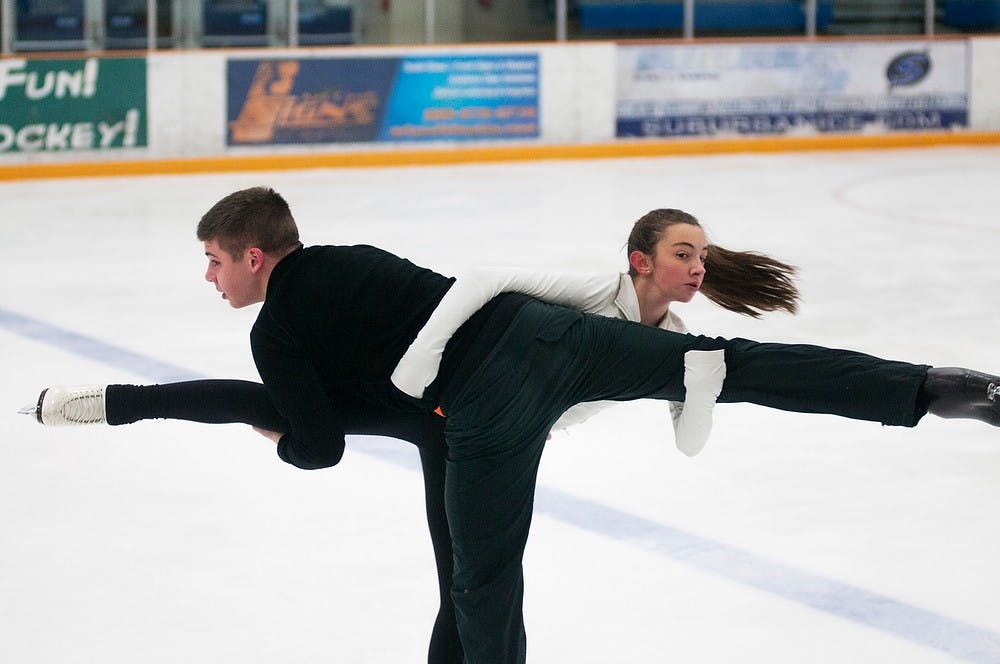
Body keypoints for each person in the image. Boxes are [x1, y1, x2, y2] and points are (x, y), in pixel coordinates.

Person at [23, 187, 1000, 664]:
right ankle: (935, 387)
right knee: (740, 368)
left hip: (483, 408)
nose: (209, 278)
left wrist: (271, 429)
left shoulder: (279, 329)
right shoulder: (352, 259)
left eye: (212, 261)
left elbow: (317, 446)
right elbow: (448, 314)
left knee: (482, 585)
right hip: (549, 341)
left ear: (248, 256)